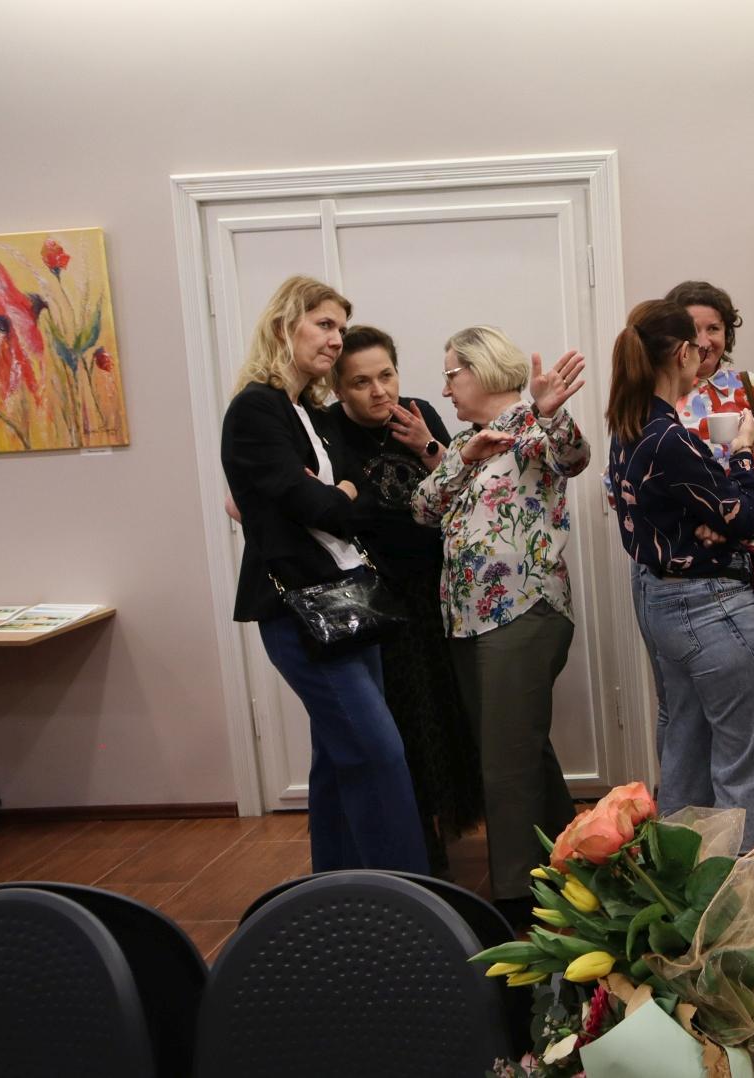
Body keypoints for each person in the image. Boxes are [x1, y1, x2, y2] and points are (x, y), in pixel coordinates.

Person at [219, 276, 427, 874]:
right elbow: (316, 505)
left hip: (348, 602)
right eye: (325, 325)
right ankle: (408, 903)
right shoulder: (256, 407)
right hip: (301, 611)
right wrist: (341, 496)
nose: (336, 339)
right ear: (285, 325)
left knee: (340, 760)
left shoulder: (304, 410)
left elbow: (349, 495)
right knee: (378, 755)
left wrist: (340, 495)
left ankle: (335, 893)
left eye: (341, 327)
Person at [410, 326, 591, 924]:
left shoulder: (535, 428)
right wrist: (460, 458)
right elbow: (422, 507)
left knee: (505, 765)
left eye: (451, 375)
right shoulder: (467, 442)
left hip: (522, 612)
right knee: (518, 749)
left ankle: (516, 903)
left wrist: (543, 411)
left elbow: (573, 456)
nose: (445, 389)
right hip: (467, 621)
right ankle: (581, 868)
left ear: (482, 368)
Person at [605, 299, 754, 853]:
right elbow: (742, 515)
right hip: (707, 607)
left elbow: (699, 511)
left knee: (684, 749)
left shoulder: (629, 425)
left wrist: (715, 516)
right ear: (684, 353)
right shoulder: (669, 436)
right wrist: (742, 454)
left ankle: (684, 883)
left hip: (658, 598)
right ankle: (752, 895)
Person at [326, 324, 483, 878]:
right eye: (361, 382)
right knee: (396, 725)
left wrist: (427, 445)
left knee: (443, 712)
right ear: (338, 389)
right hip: (371, 601)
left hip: (434, 593)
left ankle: (439, 835)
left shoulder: (419, 413)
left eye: (386, 375)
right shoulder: (325, 429)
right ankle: (412, 850)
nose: (380, 391)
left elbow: (464, 490)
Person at [664, 280, 754, 598]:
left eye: (713, 328)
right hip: (685, 565)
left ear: (727, 333)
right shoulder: (658, 395)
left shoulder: (750, 388)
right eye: (692, 329)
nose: (704, 341)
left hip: (753, 558)